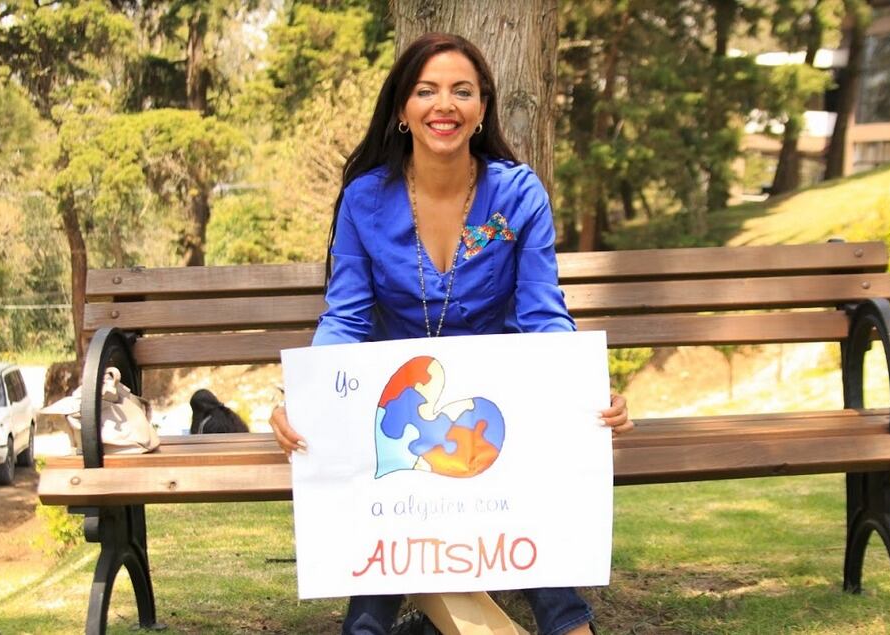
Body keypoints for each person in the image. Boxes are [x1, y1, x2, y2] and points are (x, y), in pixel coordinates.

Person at [271, 32, 632, 635]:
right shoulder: (365, 199)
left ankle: (568, 625)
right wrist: (303, 397)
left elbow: (543, 314)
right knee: (384, 489)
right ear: (402, 109)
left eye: (462, 91)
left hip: (493, 410)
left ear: (482, 108)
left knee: (523, 473)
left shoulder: (518, 194)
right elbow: (347, 317)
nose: (445, 105)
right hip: (400, 405)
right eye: (427, 91)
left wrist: (587, 392)